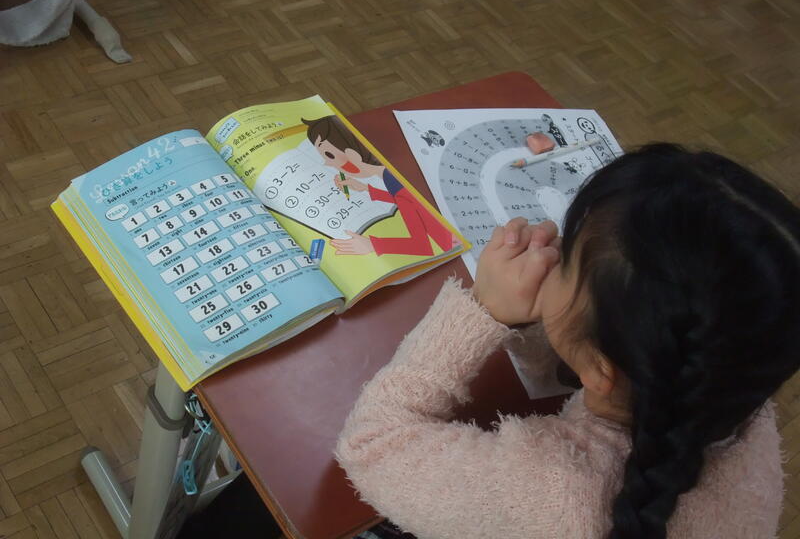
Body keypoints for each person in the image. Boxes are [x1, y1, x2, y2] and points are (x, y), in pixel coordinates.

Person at [336, 143, 800, 539]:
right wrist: (547, 322)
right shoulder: (731, 375)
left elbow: (373, 445)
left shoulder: (548, 491)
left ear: (601, 367)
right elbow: (598, 366)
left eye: (567, 259)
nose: (552, 251)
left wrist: (480, 311)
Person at [302, 115, 457, 257]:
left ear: (352, 153)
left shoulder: (397, 186)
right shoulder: (391, 176)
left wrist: (373, 245)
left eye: (329, 155)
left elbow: (422, 246)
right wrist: (366, 189)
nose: (328, 163)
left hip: (456, 248)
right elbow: (410, 201)